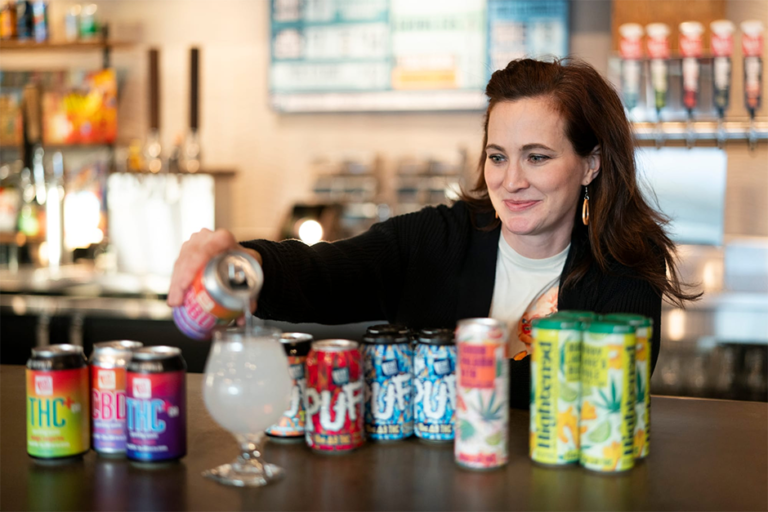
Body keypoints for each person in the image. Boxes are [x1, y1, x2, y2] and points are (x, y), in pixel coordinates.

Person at [168, 58, 699, 407]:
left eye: (537, 157)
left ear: (590, 165)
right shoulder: (442, 239)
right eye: (498, 157)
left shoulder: (626, 266)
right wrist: (244, 263)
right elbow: (326, 271)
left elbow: (604, 399)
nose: (511, 181)